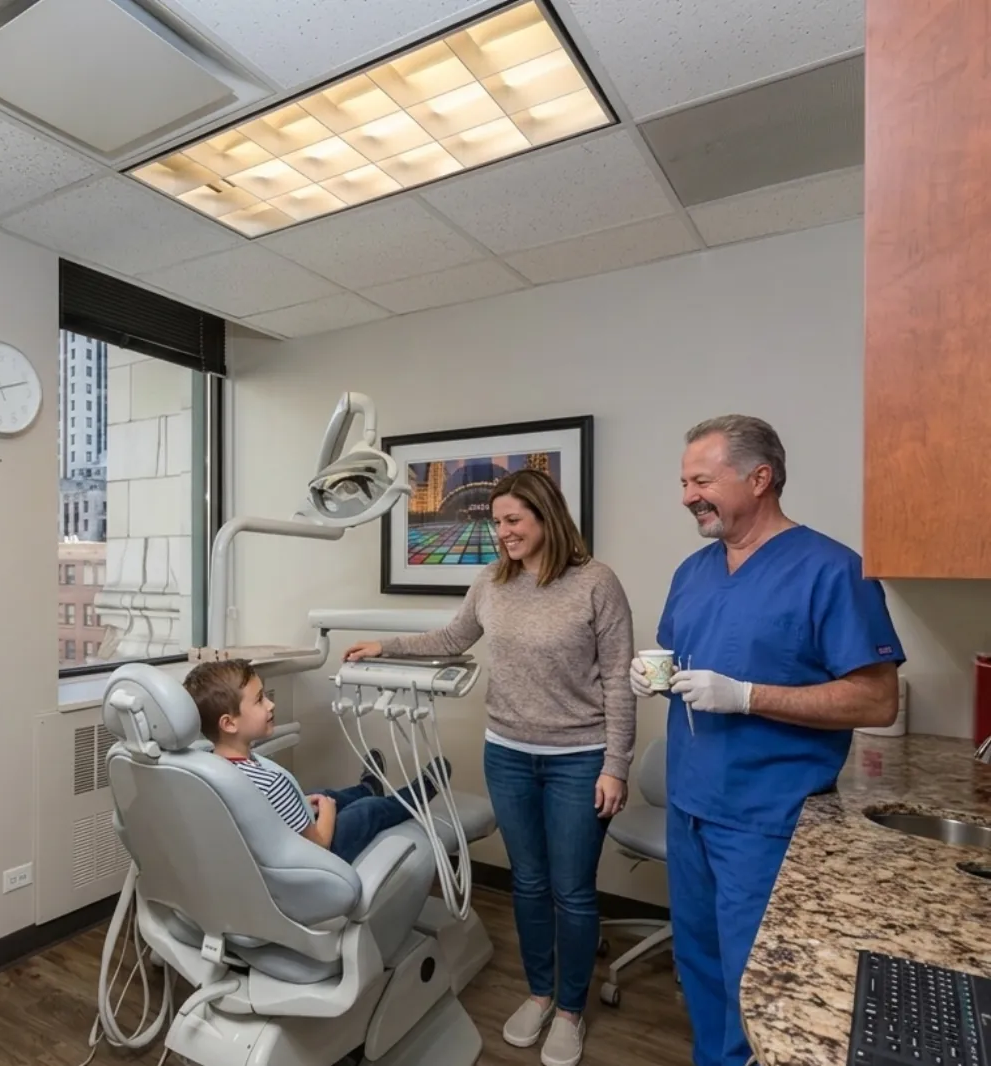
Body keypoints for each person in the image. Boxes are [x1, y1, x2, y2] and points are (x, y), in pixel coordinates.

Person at [630, 415, 904, 1066]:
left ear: (759, 479)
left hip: (767, 819)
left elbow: (876, 698)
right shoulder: (693, 572)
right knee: (698, 961)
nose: (686, 495)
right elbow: (684, 658)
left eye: (700, 480)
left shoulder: (834, 570)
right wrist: (655, 674)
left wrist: (750, 696)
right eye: (683, 481)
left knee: (757, 981)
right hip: (690, 805)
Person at [345, 468, 636, 1066]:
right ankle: (537, 993)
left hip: (579, 760)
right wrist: (384, 645)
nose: (501, 532)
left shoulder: (596, 583)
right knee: (528, 883)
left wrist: (616, 765)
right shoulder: (492, 582)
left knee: (573, 891)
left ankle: (570, 1010)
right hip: (506, 753)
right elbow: (452, 636)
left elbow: (619, 683)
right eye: (497, 522)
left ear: (545, 517)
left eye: (513, 521)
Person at [183, 658, 450, 864]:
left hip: (268, 847)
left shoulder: (205, 768)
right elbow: (319, 845)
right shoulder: (270, 783)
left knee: (320, 795)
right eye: (260, 700)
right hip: (312, 862)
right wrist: (329, 812)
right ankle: (414, 796)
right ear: (229, 723)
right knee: (367, 810)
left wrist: (307, 803)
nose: (270, 705)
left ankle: (366, 788)